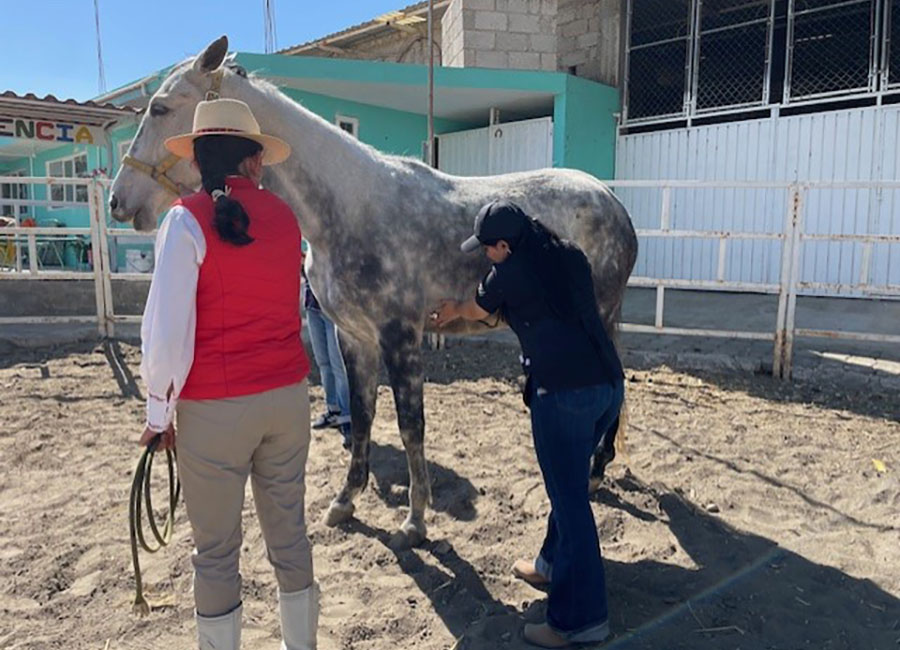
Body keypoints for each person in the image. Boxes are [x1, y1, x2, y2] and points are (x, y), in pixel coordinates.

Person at [138, 98, 317, 650]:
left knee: (216, 553)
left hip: (216, 408)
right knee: (289, 536)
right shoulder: (287, 219)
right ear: (256, 163)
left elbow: (166, 330)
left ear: (197, 162)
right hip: (287, 398)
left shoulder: (184, 220)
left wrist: (158, 413)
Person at [433, 200, 624, 648]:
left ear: (505, 245)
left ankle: (580, 621)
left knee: (571, 501)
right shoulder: (568, 253)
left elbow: (480, 307)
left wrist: (453, 310)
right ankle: (551, 563)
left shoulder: (509, 274)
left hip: (563, 393)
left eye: (489, 249)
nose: (486, 256)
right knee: (570, 483)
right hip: (607, 385)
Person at [301, 264, 352, 450]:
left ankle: (347, 417)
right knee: (323, 362)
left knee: (338, 365)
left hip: (333, 308)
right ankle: (333, 409)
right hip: (312, 304)